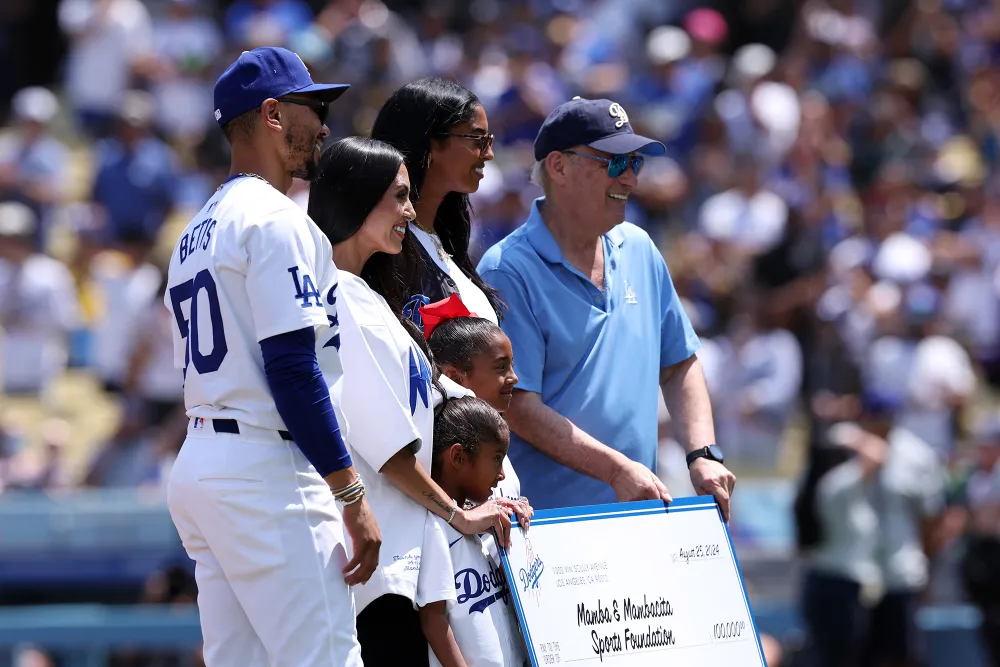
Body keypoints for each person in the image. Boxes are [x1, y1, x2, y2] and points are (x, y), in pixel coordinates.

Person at [163, 47, 380, 667]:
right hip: (266, 466)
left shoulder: (196, 228)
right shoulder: (275, 218)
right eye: (313, 106)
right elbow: (291, 366)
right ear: (272, 114)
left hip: (206, 460)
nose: (325, 125)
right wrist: (349, 494)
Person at [308, 136, 527, 667]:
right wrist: (461, 516)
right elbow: (391, 453)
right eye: (399, 197)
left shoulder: (362, 295)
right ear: (357, 198)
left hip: (399, 563)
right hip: (377, 572)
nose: (410, 211)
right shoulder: (339, 298)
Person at [477, 97, 736, 515]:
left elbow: (679, 363)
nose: (631, 178)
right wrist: (615, 470)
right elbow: (517, 406)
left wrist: (703, 452)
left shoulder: (640, 248)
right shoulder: (508, 269)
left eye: (636, 162)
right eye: (615, 163)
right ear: (558, 166)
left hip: (637, 513)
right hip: (549, 529)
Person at [794, 394, 945, 667]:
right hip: (840, 587)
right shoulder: (838, 486)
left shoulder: (839, 485)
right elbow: (874, 455)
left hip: (863, 582)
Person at [370, 77, 502, 322]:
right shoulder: (384, 246)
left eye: (489, 141)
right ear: (431, 142)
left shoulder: (444, 240)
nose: (489, 154)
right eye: (478, 139)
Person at [418, 396, 527, 667]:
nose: (502, 475)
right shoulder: (432, 526)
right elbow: (433, 620)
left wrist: (522, 532)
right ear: (458, 457)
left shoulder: (490, 520)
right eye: (496, 459)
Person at [421, 293, 521, 499]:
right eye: (501, 367)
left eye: (512, 365)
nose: (514, 377)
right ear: (455, 377)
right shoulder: (439, 446)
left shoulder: (490, 433)